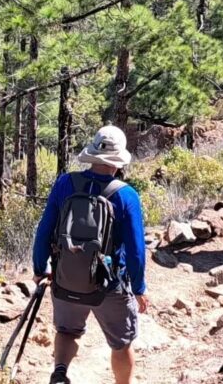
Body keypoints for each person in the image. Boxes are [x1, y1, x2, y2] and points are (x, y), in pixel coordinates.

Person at [32, 126, 148, 384]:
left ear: (93, 154)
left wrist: (41, 269)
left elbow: (43, 232)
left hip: (66, 278)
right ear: (118, 161)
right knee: (121, 343)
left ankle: (60, 373)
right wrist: (139, 288)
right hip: (109, 283)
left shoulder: (64, 183)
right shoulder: (126, 195)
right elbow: (136, 252)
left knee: (66, 331)